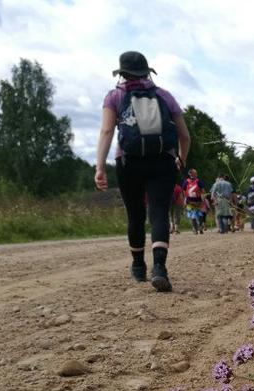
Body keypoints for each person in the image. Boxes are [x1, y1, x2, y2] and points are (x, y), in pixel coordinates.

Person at [96, 51, 189, 292]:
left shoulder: (115, 96)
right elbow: (185, 135)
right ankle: (160, 268)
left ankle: (138, 266)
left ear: (122, 73)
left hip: (129, 162)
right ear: (148, 72)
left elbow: (106, 132)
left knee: (135, 214)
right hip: (163, 162)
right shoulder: (164, 96)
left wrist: (100, 167)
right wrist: (181, 158)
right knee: (158, 213)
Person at [183, 168, 205, 234]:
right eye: (194, 173)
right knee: (195, 215)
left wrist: (203, 200)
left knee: (197, 215)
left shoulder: (196, 181)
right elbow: (203, 191)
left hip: (196, 201)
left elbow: (203, 191)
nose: (195, 175)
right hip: (191, 202)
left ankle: (198, 228)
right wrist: (185, 199)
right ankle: (197, 228)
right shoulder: (188, 181)